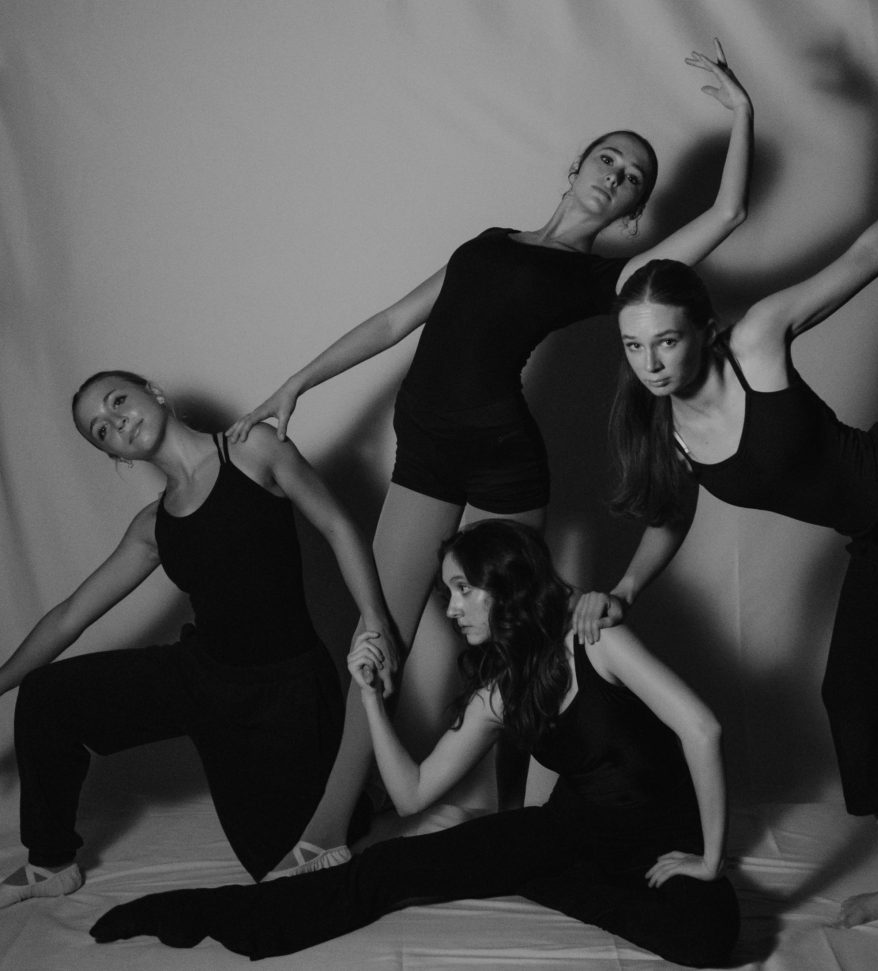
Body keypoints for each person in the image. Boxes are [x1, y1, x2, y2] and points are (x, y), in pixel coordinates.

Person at [224, 40, 755, 856]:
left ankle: (502, 812)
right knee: (379, 635)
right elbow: (394, 321)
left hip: (505, 468)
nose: (616, 175)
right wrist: (298, 383)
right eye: (609, 159)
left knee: (503, 650)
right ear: (575, 166)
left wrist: (742, 112)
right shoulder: (488, 241)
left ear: (631, 214)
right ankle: (335, 824)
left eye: (633, 179)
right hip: (425, 456)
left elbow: (727, 217)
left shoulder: (607, 279)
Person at [573, 65, 878, 927]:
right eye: (634, 348)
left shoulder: (756, 342)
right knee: (855, 692)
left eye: (666, 342)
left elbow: (865, 257)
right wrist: (625, 587)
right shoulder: (669, 430)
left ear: (701, 331)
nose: (652, 363)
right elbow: (670, 516)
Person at [89, 519, 739, 966]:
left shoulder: (594, 638)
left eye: (462, 590)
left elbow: (702, 728)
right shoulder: (499, 692)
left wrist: (710, 860)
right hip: (573, 831)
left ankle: (535, 872)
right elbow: (412, 793)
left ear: (506, 584)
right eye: (448, 592)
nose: (451, 609)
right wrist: (370, 698)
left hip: (666, 841)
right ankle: (211, 911)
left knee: (708, 938)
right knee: (391, 868)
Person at [0, 370, 398, 908]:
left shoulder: (253, 449)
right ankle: (49, 862)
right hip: (203, 677)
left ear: (155, 394)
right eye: (102, 430)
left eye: (118, 401)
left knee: (281, 863)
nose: (116, 422)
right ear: (114, 455)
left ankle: (358, 796)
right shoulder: (152, 527)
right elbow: (71, 614)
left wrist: (374, 618)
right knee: (47, 696)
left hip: (286, 690)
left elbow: (336, 526)